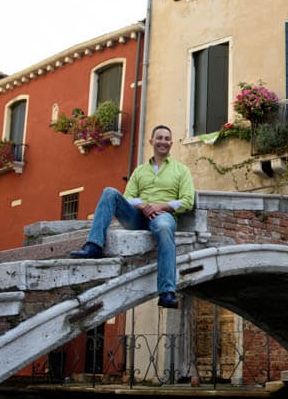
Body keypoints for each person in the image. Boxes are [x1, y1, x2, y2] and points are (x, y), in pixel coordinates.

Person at [71, 125, 195, 309]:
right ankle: (94, 245)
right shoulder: (139, 171)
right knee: (109, 192)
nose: (163, 142)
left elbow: (187, 201)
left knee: (165, 227)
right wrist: (142, 206)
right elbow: (128, 197)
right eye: (159, 138)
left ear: (171, 143)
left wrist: (159, 206)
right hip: (137, 216)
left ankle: (167, 292)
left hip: (163, 215)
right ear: (152, 142)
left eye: (167, 138)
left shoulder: (181, 170)